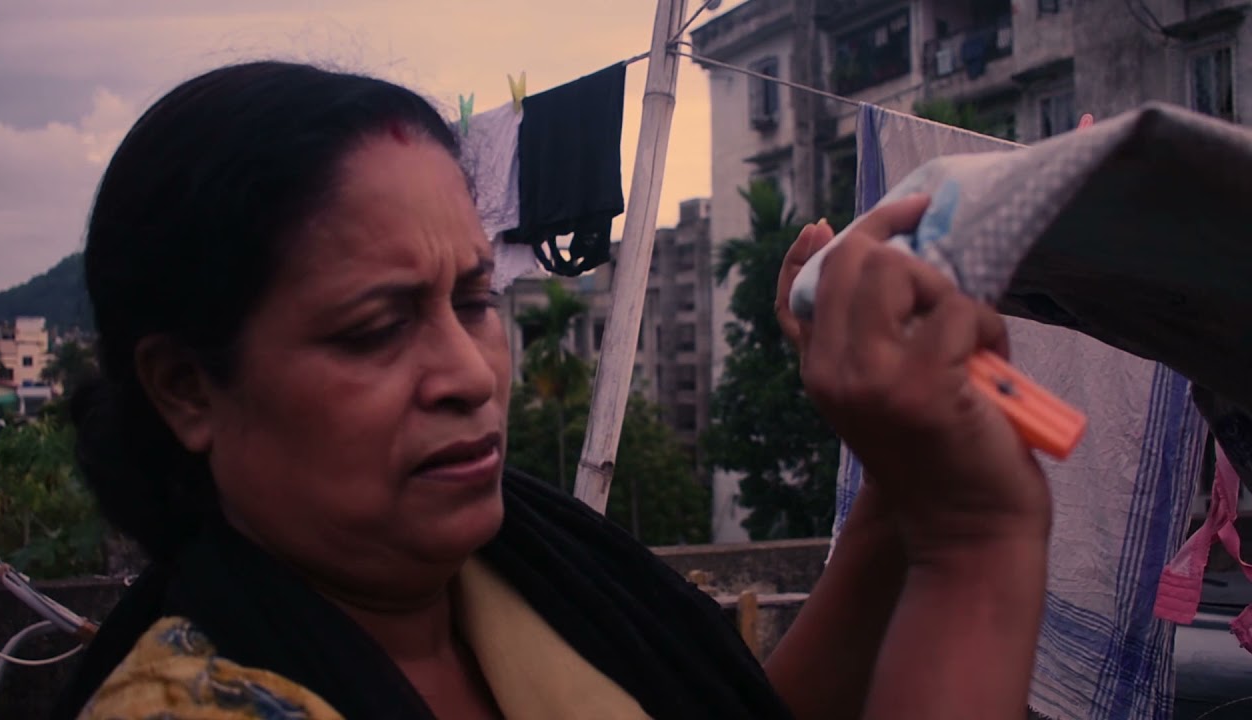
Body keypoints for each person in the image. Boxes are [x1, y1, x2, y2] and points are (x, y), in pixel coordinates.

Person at [55, 61, 1050, 720]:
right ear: (187, 389)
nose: (468, 374)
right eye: (374, 329)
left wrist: (901, 492)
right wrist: (973, 544)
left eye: (474, 300)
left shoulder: (534, 576)